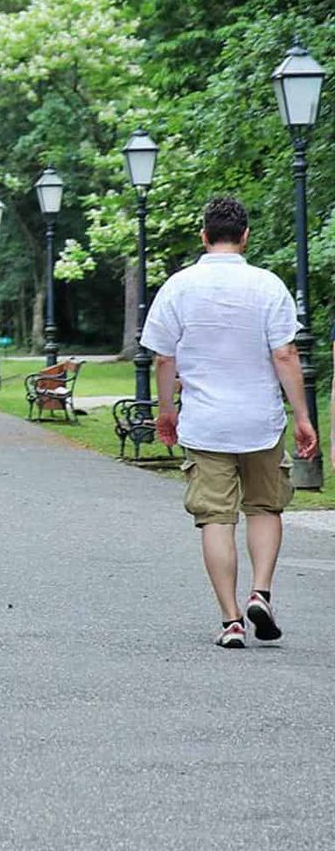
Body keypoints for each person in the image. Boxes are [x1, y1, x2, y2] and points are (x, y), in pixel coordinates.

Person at [142, 196, 317, 649]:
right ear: (245, 236)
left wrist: (166, 410)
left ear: (203, 236)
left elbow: (163, 356)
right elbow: (285, 353)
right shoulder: (268, 286)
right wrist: (301, 417)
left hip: (205, 423)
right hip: (259, 420)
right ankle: (261, 591)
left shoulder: (179, 287)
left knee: (216, 518)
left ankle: (232, 620)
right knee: (265, 507)